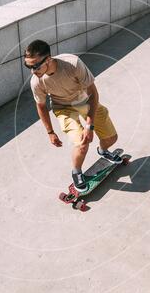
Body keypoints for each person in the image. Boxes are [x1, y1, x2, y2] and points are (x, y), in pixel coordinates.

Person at [24, 39, 122, 193]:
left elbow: (93, 94)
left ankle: (103, 150)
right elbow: (41, 106)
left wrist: (89, 125)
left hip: (84, 100)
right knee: (82, 143)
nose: (32, 71)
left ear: (48, 59)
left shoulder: (72, 63)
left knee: (112, 138)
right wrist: (50, 132)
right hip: (63, 108)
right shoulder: (36, 82)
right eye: (28, 66)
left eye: (35, 66)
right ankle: (76, 172)